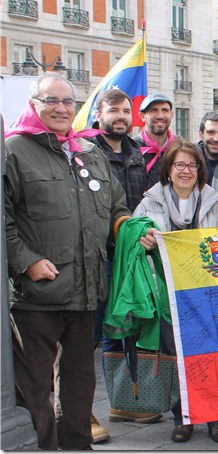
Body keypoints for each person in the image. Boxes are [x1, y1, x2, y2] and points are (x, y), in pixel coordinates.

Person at [5, 73, 130, 450]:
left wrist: (129, 227)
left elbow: (116, 207)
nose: (61, 108)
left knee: (79, 382)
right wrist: (26, 262)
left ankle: (77, 445)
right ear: (34, 105)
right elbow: (3, 218)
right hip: (36, 295)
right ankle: (41, 446)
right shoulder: (13, 150)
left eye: (67, 102)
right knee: (36, 387)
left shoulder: (88, 152)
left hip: (86, 290)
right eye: (51, 101)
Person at [136, 140, 218, 444]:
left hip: (207, 295)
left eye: (192, 165)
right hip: (167, 295)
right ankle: (184, 418)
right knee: (176, 358)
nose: (186, 170)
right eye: (179, 164)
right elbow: (133, 241)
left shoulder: (215, 203)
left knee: (212, 357)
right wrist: (143, 240)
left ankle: (217, 419)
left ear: (199, 170)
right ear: (168, 169)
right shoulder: (148, 204)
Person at [88, 88, 161, 436]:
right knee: (104, 332)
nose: (120, 116)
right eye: (112, 110)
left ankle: (130, 401)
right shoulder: (87, 154)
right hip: (102, 255)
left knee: (132, 328)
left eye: (124, 111)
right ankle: (103, 406)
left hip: (135, 254)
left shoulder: (137, 153)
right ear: (98, 114)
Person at [136, 93, 177, 187]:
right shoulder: (131, 149)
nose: (160, 116)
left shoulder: (181, 149)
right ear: (142, 116)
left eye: (165, 111)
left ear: (171, 115)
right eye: (153, 110)